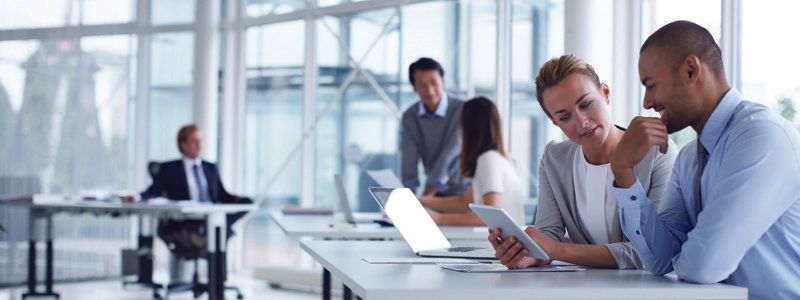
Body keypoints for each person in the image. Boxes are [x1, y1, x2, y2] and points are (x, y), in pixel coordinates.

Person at [608, 21, 800, 299]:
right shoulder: (688, 158)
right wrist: (623, 170)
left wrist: (684, 254)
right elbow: (660, 260)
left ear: (691, 70)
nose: (647, 103)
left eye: (651, 86)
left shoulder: (761, 137)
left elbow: (702, 266)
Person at [488, 54, 676, 269]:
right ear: (554, 122)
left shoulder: (657, 154)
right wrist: (529, 253)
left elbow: (650, 251)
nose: (582, 122)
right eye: (564, 117)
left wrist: (558, 250)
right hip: (584, 287)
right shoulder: (554, 159)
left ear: (605, 93)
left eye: (586, 104)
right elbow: (548, 233)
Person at [130, 124, 251, 281]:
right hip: (185, 222)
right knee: (218, 230)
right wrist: (137, 197)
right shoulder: (170, 168)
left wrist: (243, 202)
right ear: (183, 143)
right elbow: (152, 192)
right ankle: (217, 274)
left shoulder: (210, 168)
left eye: (201, 141)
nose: (199, 145)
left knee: (226, 219)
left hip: (210, 217)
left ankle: (218, 232)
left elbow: (222, 195)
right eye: (194, 141)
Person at [420, 96, 525, 225]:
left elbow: (491, 217)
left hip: (497, 243)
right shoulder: (498, 158)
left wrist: (438, 219)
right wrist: (422, 201)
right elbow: (464, 202)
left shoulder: (488, 160)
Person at [400, 57, 469, 197]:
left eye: (434, 83)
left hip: (465, 191)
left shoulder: (463, 110)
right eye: (422, 85)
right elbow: (409, 158)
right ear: (414, 87)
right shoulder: (409, 117)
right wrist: (406, 199)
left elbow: (449, 154)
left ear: (443, 82)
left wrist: (426, 196)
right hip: (435, 192)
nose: (430, 90)